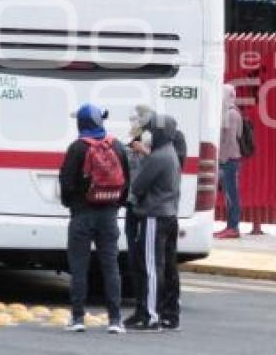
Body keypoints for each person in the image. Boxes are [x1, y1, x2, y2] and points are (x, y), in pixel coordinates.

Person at [59, 104, 130, 333]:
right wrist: (114, 205)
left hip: (82, 214)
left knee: (79, 267)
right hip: (109, 215)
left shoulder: (77, 148)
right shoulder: (117, 146)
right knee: (111, 267)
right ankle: (115, 320)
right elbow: (126, 182)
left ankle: (78, 318)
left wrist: (73, 204)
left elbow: (66, 183)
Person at [124, 106, 186, 331]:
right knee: (168, 266)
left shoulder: (158, 157)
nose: (149, 134)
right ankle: (170, 314)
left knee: (151, 267)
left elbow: (139, 185)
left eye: (151, 130)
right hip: (169, 215)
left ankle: (150, 315)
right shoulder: (171, 152)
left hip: (153, 216)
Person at [215, 84, 243, 239]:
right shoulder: (228, 112)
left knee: (231, 195)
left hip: (229, 160)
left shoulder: (231, 114)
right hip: (229, 159)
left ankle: (233, 227)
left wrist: (221, 160)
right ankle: (230, 226)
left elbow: (230, 140)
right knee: (228, 194)